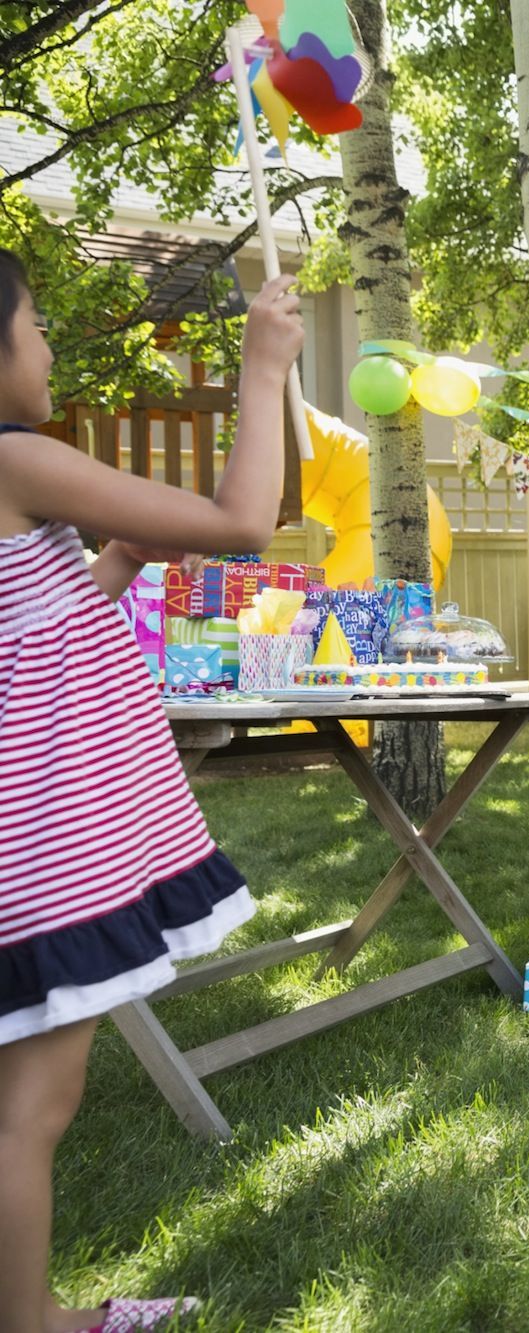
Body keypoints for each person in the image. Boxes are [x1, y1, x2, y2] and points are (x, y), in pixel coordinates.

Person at [0, 250, 304, 1332]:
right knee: (30, 1109)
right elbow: (240, 524)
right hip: (37, 844)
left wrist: (117, 567)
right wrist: (262, 370)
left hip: (22, 830)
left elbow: (26, 629)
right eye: (34, 325)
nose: (46, 347)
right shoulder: (16, 460)